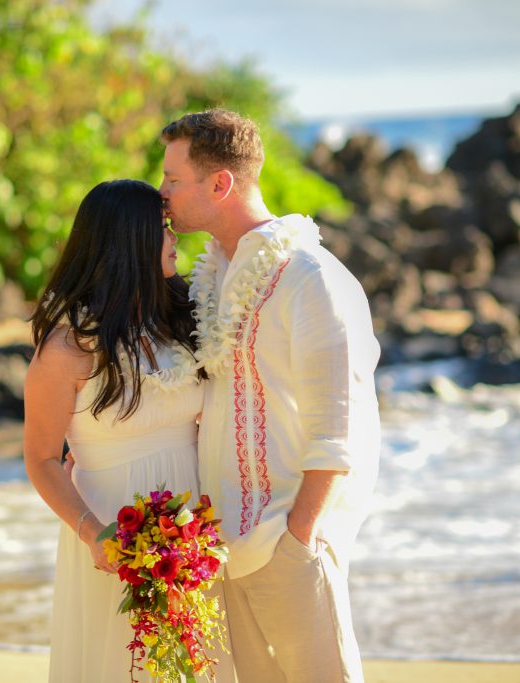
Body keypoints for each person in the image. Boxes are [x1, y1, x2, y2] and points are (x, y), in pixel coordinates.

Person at [159, 109, 381, 683]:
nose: (163, 194)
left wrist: (296, 541)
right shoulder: (213, 275)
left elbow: (340, 430)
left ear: (220, 184)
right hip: (223, 548)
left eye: (173, 180)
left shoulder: (311, 278)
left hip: (287, 543)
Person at [23, 179, 231, 682]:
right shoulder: (69, 348)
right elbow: (42, 459)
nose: (174, 236)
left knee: (196, 665)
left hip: (193, 527)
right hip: (111, 532)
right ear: (130, 242)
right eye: (161, 229)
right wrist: (95, 535)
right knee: (123, 664)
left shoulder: (182, 318)